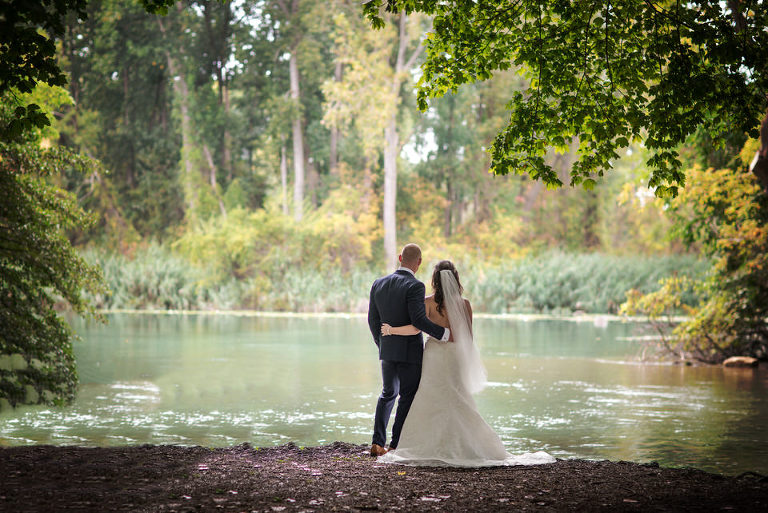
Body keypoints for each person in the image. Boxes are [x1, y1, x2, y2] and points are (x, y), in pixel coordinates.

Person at [377, 260, 556, 467]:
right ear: (455, 279)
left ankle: (425, 444)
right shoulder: (465, 304)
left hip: (434, 354)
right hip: (454, 356)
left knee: (430, 395)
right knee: (457, 396)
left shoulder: (427, 302)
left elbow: (419, 327)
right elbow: (468, 339)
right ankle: (469, 445)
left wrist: (391, 330)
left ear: (435, 280)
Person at [367, 244, 451, 457]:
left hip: (387, 350)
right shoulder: (415, 286)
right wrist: (444, 334)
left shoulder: (378, 283)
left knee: (387, 394)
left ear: (399, 257)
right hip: (410, 353)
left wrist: (382, 343)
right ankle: (395, 445)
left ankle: (377, 443)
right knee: (406, 396)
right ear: (419, 262)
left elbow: (373, 320)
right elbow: (419, 321)